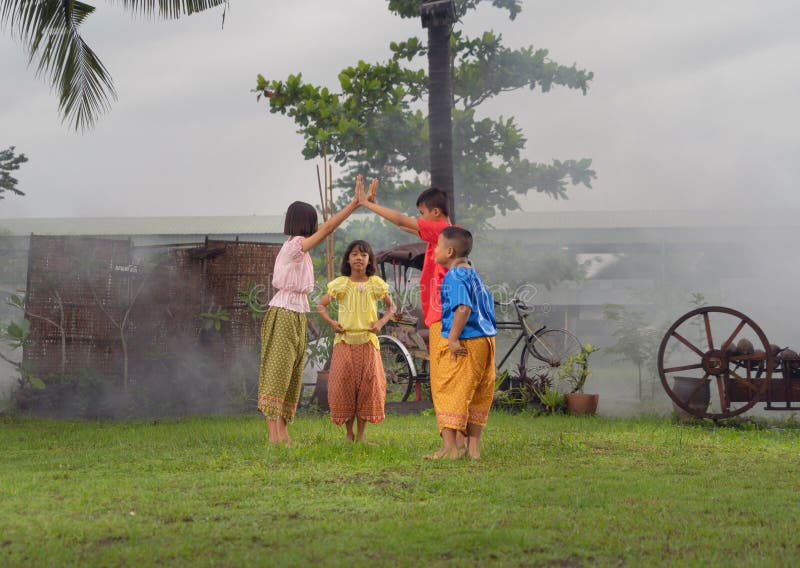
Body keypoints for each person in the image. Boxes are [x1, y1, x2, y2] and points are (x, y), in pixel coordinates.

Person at [258, 176, 364, 445]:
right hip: (283, 313)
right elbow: (328, 229)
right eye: (314, 221)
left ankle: (283, 433)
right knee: (278, 372)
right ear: (306, 222)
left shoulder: (300, 253)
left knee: (292, 373)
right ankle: (274, 436)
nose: (318, 226)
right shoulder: (294, 247)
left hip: (296, 314)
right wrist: (353, 204)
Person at [316, 240, 396, 442]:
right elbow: (321, 306)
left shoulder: (375, 284)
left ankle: (361, 435)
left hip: (368, 342)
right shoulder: (341, 284)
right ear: (348, 259)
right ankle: (348, 433)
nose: (359, 258)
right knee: (343, 386)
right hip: (344, 342)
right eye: (354, 254)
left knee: (368, 387)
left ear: (369, 259)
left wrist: (380, 322)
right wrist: (332, 323)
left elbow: (391, 307)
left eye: (363, 254)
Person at [431, 226, 497, 460]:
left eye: (437, 246)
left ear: (449, 251)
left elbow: (463, 307)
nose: (434, 251)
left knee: (449, 389)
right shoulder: (473, 274)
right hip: (486, 340)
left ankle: (450, 448)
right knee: (478, 391)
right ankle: (473, 449)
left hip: (467, 339)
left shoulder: (455, 275)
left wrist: (452, 338)